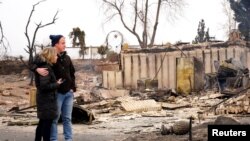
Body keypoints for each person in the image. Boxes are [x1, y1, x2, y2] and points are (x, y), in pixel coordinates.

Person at [32, 35, 76, 141]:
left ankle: (69, 139)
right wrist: (36, 69)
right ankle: (53, 139)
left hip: (68, 93)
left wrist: (73, 87)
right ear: (56, 44)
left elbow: (72, 73)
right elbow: (33, 64)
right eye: (63, 43)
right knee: (52, 120)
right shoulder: (48, 60)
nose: (65, 45)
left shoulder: (67, 58)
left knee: (67, 118)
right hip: (56, 94)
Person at [33, 47, 63, 141]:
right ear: (50, 56)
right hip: (47, 100)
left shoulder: (45, 66)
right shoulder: (45, 68)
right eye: (55, 55)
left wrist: (55, 83)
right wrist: (57, 84)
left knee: (42, 123)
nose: (56, 57)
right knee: (46, 126)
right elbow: (44, 86)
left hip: (45, 100)